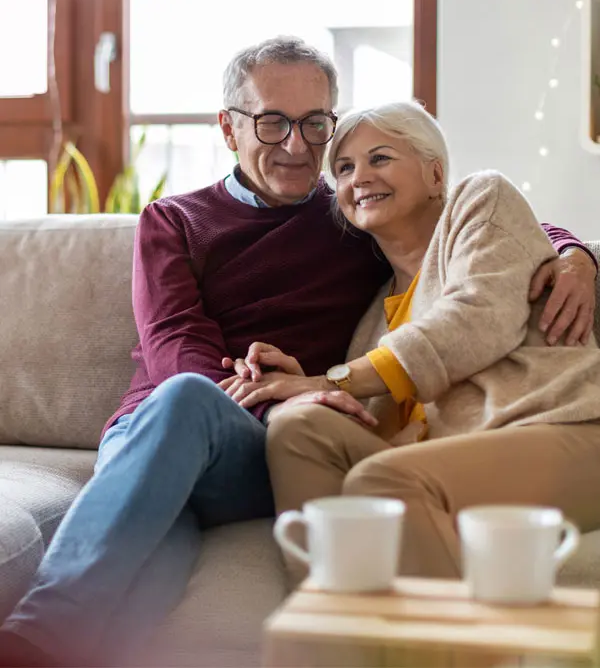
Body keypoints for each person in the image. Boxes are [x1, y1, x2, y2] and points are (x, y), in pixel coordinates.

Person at [0, 39, 595, 667]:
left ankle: (26, 644)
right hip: (165, 428)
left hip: (272, 446)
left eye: (315, 124)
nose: (296, 144)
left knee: (245, 430)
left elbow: (474, 230)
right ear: (228, 128)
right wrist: (284, 396)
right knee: (157, 532)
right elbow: (175, 345)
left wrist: (574, 254)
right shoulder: (173, 221)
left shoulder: (349, 212)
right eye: (271, 121)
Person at [220, 100, 600, 586]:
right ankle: (332, 622)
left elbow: (478, 318)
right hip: (458, 459)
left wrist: (336, 378)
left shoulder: (481, 202)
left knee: (385, 481)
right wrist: (314, 392)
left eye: (380, 158)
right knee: (300, 426)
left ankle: (449, 653)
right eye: (343, 168)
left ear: (435, 174)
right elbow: (386, 427)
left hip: (563, 429)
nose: (359, 177)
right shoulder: (373, 321)